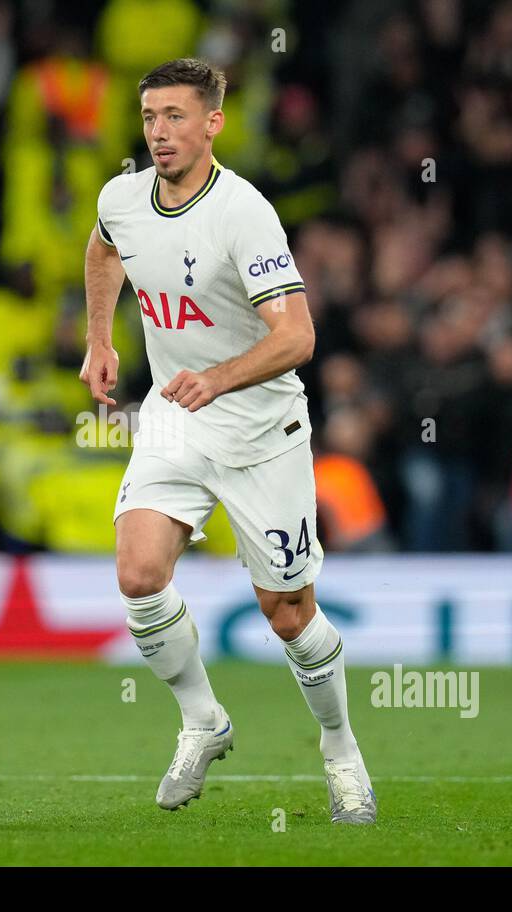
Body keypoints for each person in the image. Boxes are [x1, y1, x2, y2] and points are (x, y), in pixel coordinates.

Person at [79, 58, 374, 824]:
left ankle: (340, 750)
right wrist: (100, 341)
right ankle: (203, 719)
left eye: (176, 117)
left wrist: (221, 377)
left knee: (287, 613)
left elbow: (299, 337)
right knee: (140, 575)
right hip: (176, 418)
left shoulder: (245, 213)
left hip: (260, 430)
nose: (160, 133)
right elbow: (105, 247)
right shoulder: (122, 196)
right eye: (150, 118)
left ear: (213, 122)